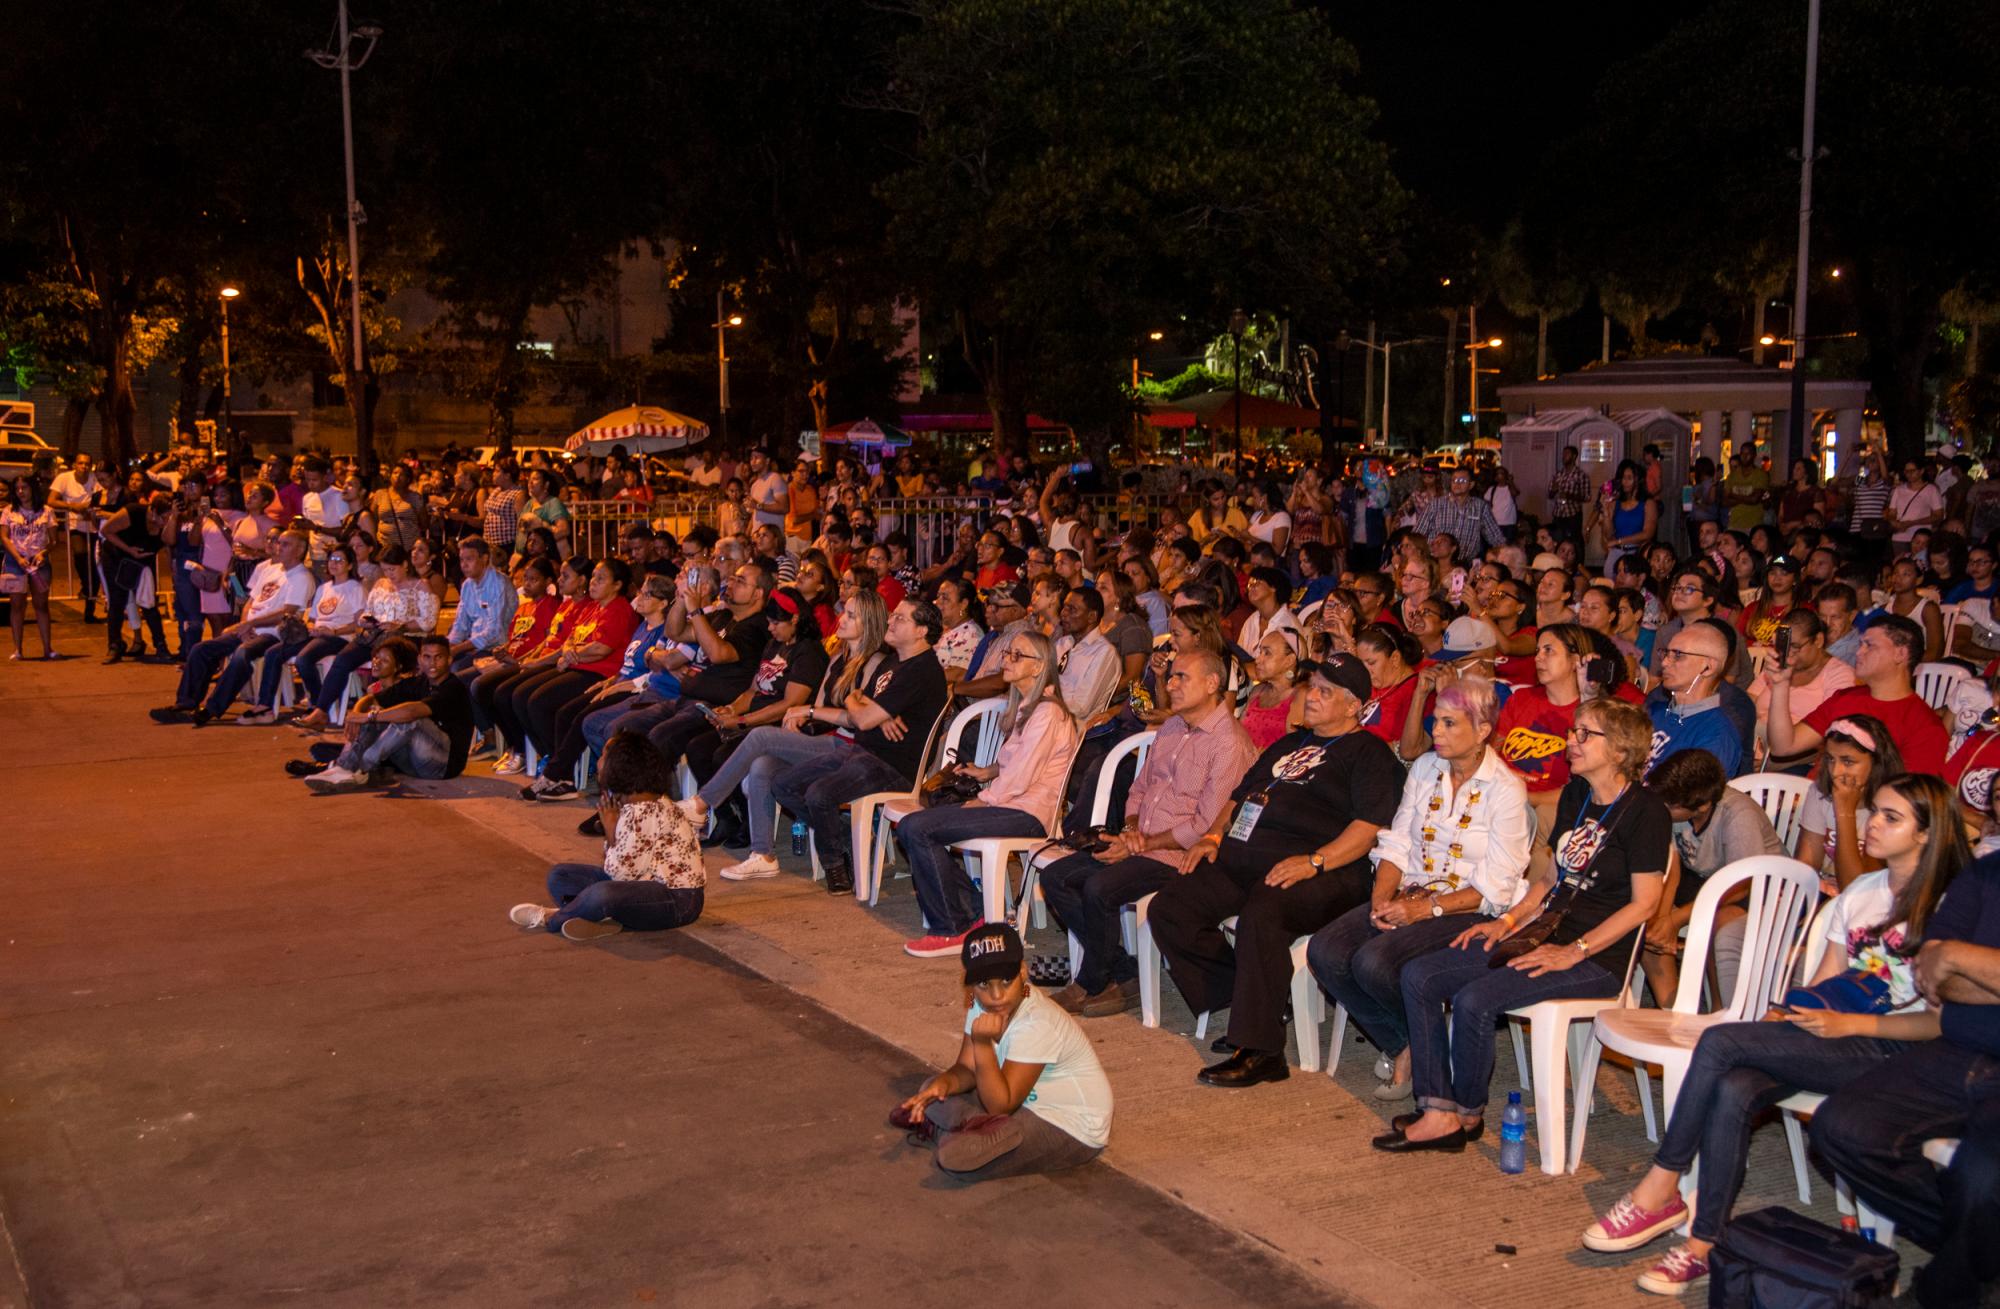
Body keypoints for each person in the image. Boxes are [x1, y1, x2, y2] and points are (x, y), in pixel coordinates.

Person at [1581, 773, 1966, 1298]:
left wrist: (1848, 1024)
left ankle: (1662, 1185)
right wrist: (1794, 1014)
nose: (1871, 823)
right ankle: (1703, 1242)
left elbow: (1941, 1023)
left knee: (1720, 1043)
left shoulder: (1951, 908)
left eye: (1890, 817)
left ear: (1926, 834)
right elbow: (1825, 986)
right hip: (1836, 1034)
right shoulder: (1862, 893)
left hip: (1896, 1052)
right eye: (1873, 810)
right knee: (1735, 1084)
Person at [1380, 698, 1668, 1154]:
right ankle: (1437, 1108)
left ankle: (1466, 1112)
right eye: (1574, 731)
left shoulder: (1647, 812)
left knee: (1475, 999)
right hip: (1543, 930)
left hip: (1599, 956)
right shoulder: (1577, 795)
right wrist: (1509, 922)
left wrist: (1574, 951)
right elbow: (1552, 877)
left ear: (1619, 750)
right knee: (1421, 975)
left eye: (1584, 734)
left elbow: (1644, 906)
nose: (1570, 741)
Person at [1150, 653, 1403, 1087]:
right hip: (1247, 857)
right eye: (1312, 687)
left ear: (1353, 705)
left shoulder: (1370, 754)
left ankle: (1263, 1051)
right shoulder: (1290, 745)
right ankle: (1252, 1002)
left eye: (1326, 691)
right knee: (1172, 906)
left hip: (1326, 868)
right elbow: (1238, 795)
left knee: (1264, 913)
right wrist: (1212, 837)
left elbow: (1368, 830)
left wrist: (1314, 861)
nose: (1313, 697)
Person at [1307, 675, 1532, 1103]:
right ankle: (1407, 1042)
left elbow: (1498, 884)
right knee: (1326, 950)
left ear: (1483, 730)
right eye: (1437, 721)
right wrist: (1381, 898)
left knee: (1374, 961)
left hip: (1469, 906)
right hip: (1409, 892)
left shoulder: (1505, 790)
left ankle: (1419, 1051)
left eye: (1450, 724)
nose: (1436, 732)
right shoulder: (1428, 768)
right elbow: (1398, 841)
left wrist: (1424, 911)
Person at [1811, 847, 2000, 1309]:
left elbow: (1950, 963)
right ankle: (1980, 1254)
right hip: (1959, 1045)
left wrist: (1960, 956)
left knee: (1982, 1174)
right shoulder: (1986, 873)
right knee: (1841, 1127)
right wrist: (1955, 961)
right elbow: (1933, 976)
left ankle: (1944, 1288)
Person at [1040, 648, 1256, 1015]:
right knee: (1057, 876)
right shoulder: (1172, 726)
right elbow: (1139, 788)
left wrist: (1142, 844)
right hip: (1142, 842)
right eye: (1171, 676)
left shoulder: (1228, 742)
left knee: (1099, 888)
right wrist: (1130, 831)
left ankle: (1090, 983)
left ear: (1212, 683)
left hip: (1179, 855)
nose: (1170, 684)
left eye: (1181, 677)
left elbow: (1206, 823)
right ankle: (1122, 971)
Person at [896, 629, 1079, 957]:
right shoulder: (1029, 706)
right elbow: (1022, 762)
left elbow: (1022, 778)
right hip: (1013, 803)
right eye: (1008, 653)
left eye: (1017, 656)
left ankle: (953, 927)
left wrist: (982, 800)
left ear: (1039, 667)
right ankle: (974, 912)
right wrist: (989, 772)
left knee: (917, 828)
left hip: (1027, 814)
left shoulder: (1048, 712)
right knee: (916, 824)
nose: (1007, 660)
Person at [893, 922, 1112, 1182]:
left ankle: (956, 1132)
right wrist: (943, 1084)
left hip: (1068, 1125)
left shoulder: (1038, 1022)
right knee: (931, 1086)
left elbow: (1001, 1104)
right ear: (971, 986)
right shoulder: (980, 1006)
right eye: (984, 984)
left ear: (1022, 972)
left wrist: (983, 1044)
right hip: (1017, 1104)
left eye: (1006, 981)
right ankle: (972, 1129)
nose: (996, 996)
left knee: (954, 1160)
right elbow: (966, 1069)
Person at [767, 598, 953, 895]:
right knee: (783, 784)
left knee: (819, 794)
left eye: (900, 619)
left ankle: (836, 866)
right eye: (892, 616)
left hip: (894, 765)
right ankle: (848, 839)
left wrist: (859, 701)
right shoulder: (894, 661)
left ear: (921, 631)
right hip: (862, 752)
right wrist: (866, 708)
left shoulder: (921, 670)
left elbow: (861, 715)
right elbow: (855, 714)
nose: (890, 622)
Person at [507, 731, 705, 940]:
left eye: (603, 756)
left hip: (677, 902)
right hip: (646, 887)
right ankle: (596, 918)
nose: (599, 761)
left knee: (602, 893)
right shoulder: (637, 803)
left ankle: (553, 918)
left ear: (619, 767)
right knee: (560, 876)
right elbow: (623, 872)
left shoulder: (644, 811)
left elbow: (621, 876)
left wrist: (610, 832)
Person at [1642, 748, 1784, 1007]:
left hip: (1761, 888)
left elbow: (1741, 885)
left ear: (1702, 806)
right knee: (1645, 914)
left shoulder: (1737, 814)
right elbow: (1671, 866)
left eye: (1671, 806)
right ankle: (1674, 1007)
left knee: (1720, 923)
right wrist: (1662, 918)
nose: (1663, 808)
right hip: (1704, 879)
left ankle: (1718, 1010)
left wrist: (1676, 919)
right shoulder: (1672, 806)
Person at [149, 531, 314, 727]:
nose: (279, 547)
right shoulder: (272, 570)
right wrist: (244, 626)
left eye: (285, 544)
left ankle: (212, 708)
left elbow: (287, 612)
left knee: (241, 654)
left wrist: (251, 625)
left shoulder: (302, 577)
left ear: (300, 550)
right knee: (201, 649)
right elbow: (250, 603)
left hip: (272, 634)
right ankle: (186, 703)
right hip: (250, 629)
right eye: (279, 543)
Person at [1765, 612, 1948, 777]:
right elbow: (1784, 747)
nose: (1858, 652)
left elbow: (1909, 800)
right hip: (1815, 799)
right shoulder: (1846, 698)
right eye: (1860, 644)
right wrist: (1781, 685)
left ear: (1900, 654)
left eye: (1869, 645)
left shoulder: (1925, 727)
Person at [305, 635, 478, 791]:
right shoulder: (419, 682)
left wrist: (367, 717)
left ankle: (362, 768)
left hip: (442, 766)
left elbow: (412, 712)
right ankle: (343, 768)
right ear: (420, 659)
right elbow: (372, 699)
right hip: (412, 764)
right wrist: (357, 714)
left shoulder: (453, 687)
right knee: (378, 712)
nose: (432, 663)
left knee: (409, 718)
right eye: (427, 657)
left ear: (449, 660)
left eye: (438, 657)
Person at [240, 544, 367, 725]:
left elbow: (358, 623)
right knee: (274, 652)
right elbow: (313, 618)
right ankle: (264, 706)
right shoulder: (324, 588)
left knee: (303, 659)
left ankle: (318, 704)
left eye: (340, 560)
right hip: (317, 634)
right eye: (332, 559)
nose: (334, 563)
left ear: (349, 565)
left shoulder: (356, 588)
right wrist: (310, 626)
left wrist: (334, 631)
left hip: (339, 637)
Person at [1796, 715, 1905, 893]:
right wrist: (1815, 886)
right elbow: (1808, 862)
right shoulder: (1820, 792)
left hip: (1866, 898)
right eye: (1831, 759)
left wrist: (1845, 811)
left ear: (1876, 763)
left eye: (1848, 761)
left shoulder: (1891, 809)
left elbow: (1857, 888)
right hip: (1823, 889)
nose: (1836, 771)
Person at [1747, 607, 1856, 772]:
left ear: (1818, 641)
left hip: (1797, 760)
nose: (1788, 654)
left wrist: (1775, 763)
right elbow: (1747, 703)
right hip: (1756, 746)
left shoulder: (1839, 675)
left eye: (1795, 647)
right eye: (1783, 646)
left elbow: (1831, 739)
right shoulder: (1780, 662)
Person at [1647, 620, 1744, 776]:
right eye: (1666, 653)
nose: (1664, 662)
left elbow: (1685, 798)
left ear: (1708, 668)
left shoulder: (1717, 735)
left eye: (1678, 655)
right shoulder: (1654, 711)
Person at [98, 490, 174, 663]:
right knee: (117, 600)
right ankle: (115, 646)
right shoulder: (134, 512)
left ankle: (161, 646)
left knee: (149, 603)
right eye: (163, 518)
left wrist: (171, 567)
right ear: (153, 510)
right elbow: (107, 530)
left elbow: (169, 546)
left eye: (169, 518)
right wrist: (128, 549)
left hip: (143, 560)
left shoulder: (167, 524)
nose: (164, 523)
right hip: (117, 556)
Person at [1, 474, 57, 659]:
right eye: (17, 489)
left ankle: (47, 648)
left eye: (24, 487)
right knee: (17, 605)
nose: (20, 492)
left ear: (32, 488)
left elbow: (54, 540)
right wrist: (17, 557)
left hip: (38, 562)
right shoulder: (9, 511)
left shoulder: (46, 511)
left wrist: (43, 553)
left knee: (41, 604)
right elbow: (4, 537)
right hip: (16, 562)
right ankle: (18, 649)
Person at [445, 536, 520, 669]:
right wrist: (448, 646)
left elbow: (494, 632)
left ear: (484, 558)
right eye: (462, 559)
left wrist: (458, 649)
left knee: (455, 668)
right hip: (474, 646)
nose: (464, 565)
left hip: (498, 648)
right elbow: (460, 624)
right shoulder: (467, 585)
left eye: (469, 559)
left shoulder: (497, 583)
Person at [45, 452, 102, 623]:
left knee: (95, 566)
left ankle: (89, 610)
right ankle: (86, 588)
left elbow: (102, 498)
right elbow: (51, 500)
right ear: (75, 465)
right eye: (80, 463)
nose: (84, 467)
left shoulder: (95, 479)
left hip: (94, 526)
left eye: (87, 463)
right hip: (75, 525)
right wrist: (72, 506)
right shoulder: (64, 478)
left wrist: (91, 509)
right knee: (80, 554)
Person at [1053, 585, 1121, 720]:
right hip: (1046, 716)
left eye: (1072, 609)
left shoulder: (1104, 653)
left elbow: (1080, 708)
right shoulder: (1062, 643)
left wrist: (1043, 704)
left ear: (1092, 616)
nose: (1063, 613)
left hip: (1072, 728)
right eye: (1065, 606)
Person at [1415, 468, 1505, 564]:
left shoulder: (1480, 507)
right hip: (1436, 563)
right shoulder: (1436, 505)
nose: (1457, 484)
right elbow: (1417, 535)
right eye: (1454, 480)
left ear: (1471, 484)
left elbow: (1496, 539)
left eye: (1462, 480)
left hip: (1464, 564)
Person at [1239, 630, 1303, 751]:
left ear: (1289, 661)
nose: (1257, 660)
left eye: (1267, 653)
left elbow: (1293, 750)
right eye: (1260, 652)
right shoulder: (1258, 691)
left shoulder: (1299, 697)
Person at [1722, 444, 1770, 534]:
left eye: (1748, 453)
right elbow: (1725, 501)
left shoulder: (1760, 475)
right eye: (1742, 453)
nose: (1745, 456)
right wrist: (1747, 497)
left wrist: (1733, 495)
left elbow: (1754, 499)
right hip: (1734, 523)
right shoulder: (1732, 476)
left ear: (1754, 455)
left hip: (1753, 524)